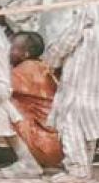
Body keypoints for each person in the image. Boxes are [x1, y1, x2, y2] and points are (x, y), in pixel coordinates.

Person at [46, 0, 99, 183]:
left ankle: (77, 169)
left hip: (82, 68)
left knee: (72, 117)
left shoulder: (86, 5)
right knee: (88, 115)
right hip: (94, 72)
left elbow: (70, 37)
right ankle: (83, 163)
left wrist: (52, 57)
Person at [8, 30, 66, 173]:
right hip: (60, 145)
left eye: (11, 48)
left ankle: (27, 162)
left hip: (44, 144)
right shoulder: (43, 66)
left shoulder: (25, 69)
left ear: (25, 54)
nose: (7, 52)